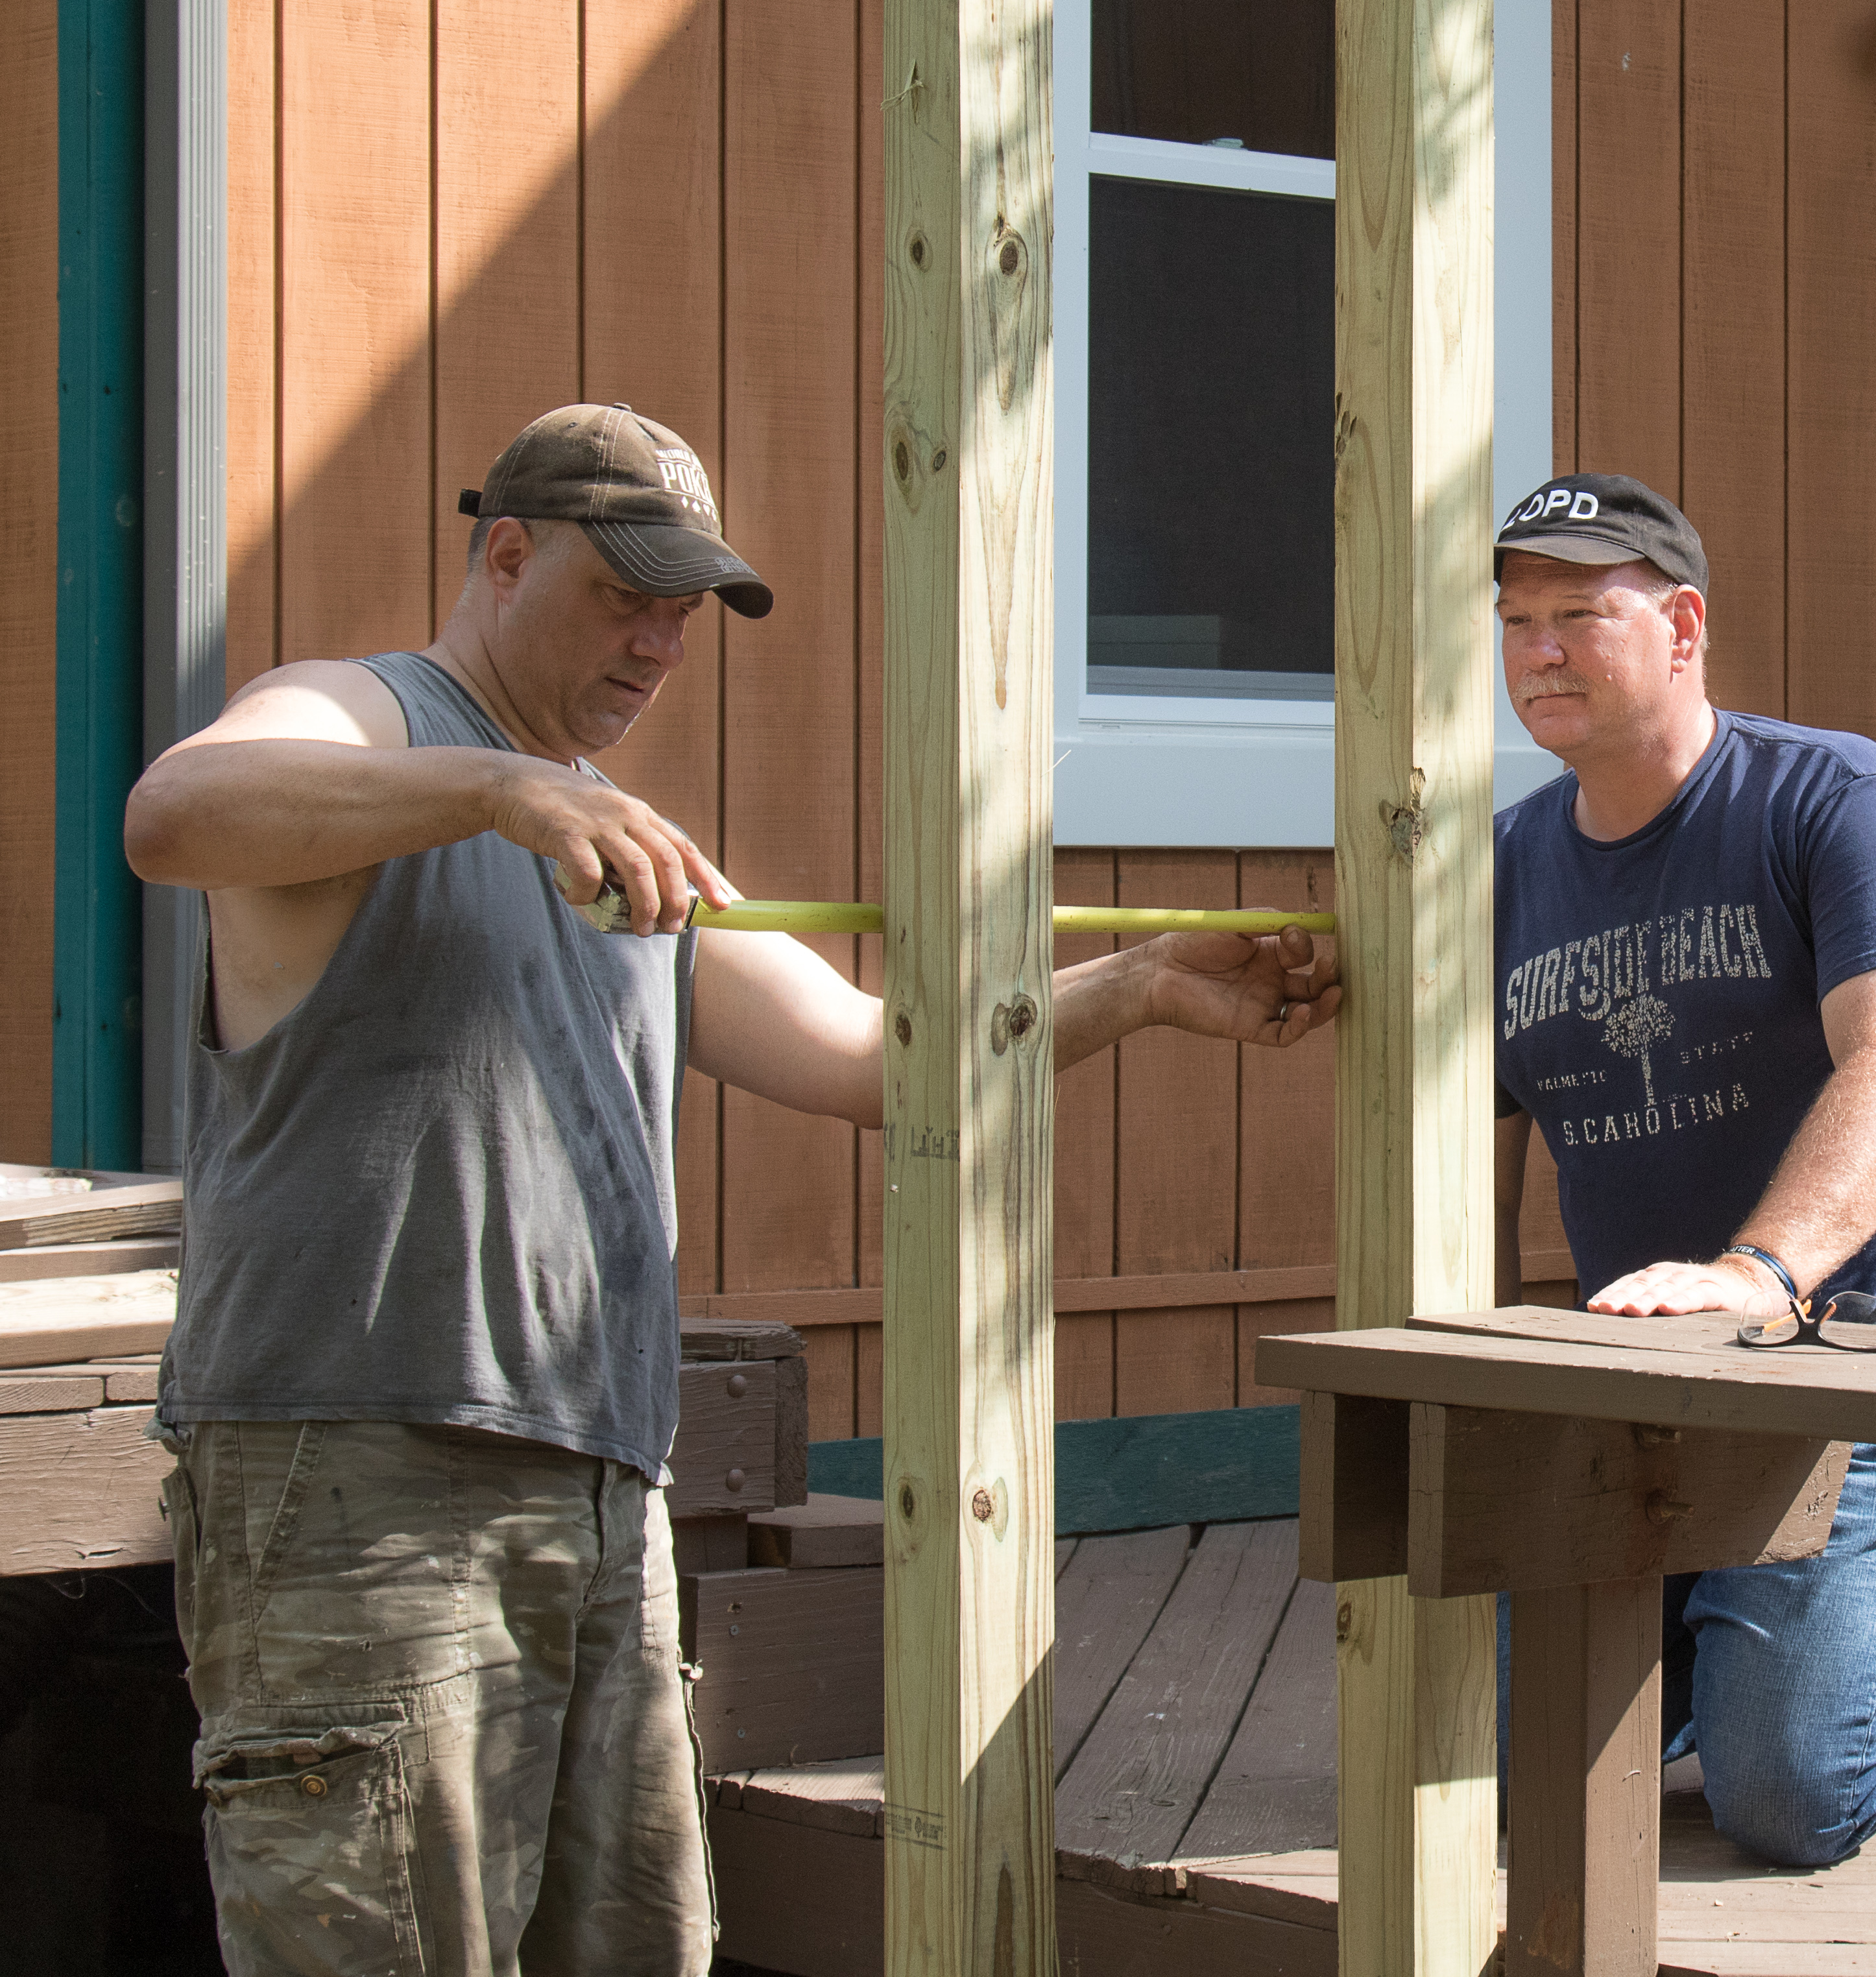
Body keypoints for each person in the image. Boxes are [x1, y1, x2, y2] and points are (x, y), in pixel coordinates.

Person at [119, 403, 1341, 1974]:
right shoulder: (364, 716)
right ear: (504, 552)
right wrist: (497, 789)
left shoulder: (616, 842)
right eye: (624, 597)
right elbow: (174, 816)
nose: (657, 645)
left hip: (598, 1492)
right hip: (362, 1484)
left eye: (682, 614)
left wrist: (1149, 984)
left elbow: (876, 1058)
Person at [1487, 472, 1876, 1867]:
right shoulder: (1506, 864)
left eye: (1577, 616)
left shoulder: (1832, 795)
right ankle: (1756, 1622)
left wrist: (1758, 1273)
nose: (1538, 650)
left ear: (1683, 627)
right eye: (1516, 621)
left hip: (1869, 1355)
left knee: (1787, 1793)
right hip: (1649, 1383)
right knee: (1510, 1767)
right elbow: (1466, 1132)